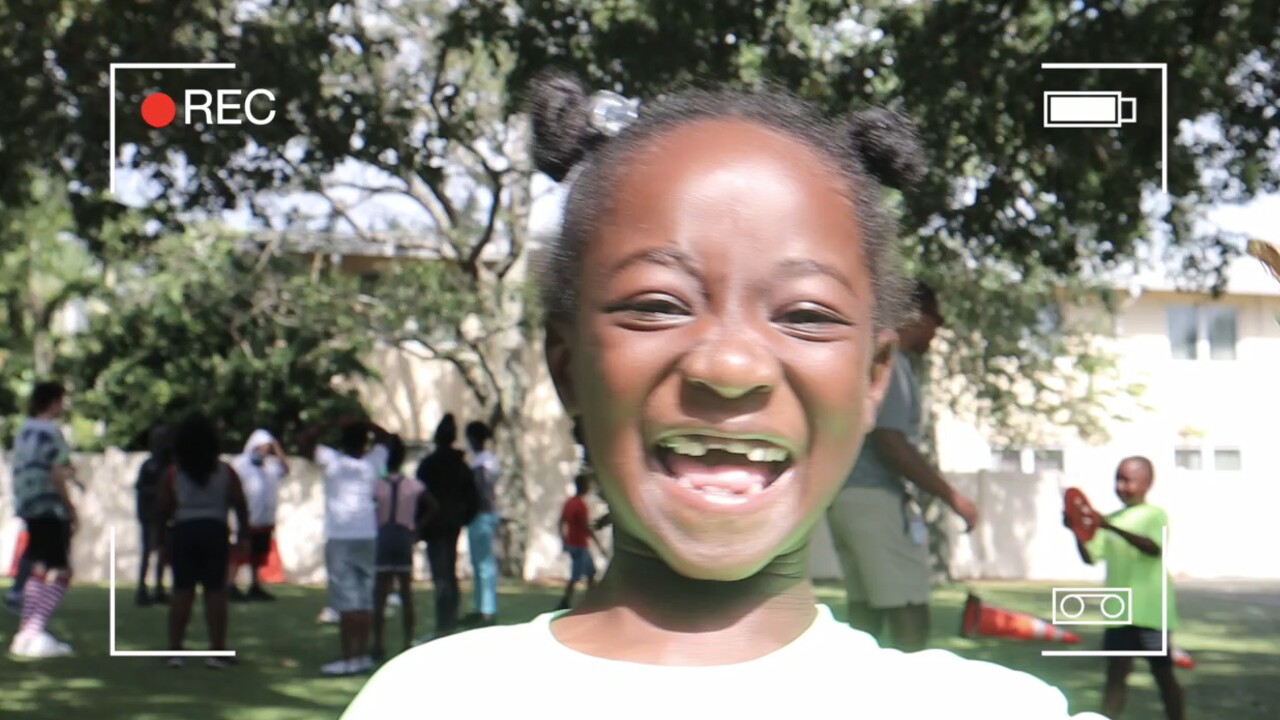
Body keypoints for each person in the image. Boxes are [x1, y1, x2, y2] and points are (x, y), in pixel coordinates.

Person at [338, 71, 1102, 718]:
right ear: (567, 366)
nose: (731, 365)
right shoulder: (432, 701)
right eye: (658, 304)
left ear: (874, 380)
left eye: (806, 315)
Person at [825, 279, 979, 651]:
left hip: (844, 495)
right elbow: (891, 442)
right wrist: (953, 497)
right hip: (872, 494)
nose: (937, 330)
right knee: (909, 603)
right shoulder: (890, 364)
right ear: (915, 316)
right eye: (935, 319)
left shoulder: (869, 358)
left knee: (866, 610)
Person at [1070, 457, 1183, 720]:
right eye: (1118, 479)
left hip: (1152, 612)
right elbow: (1091, 557)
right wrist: (1077, 529)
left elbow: (1153, 548)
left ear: (1147, 483)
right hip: (1118, 611)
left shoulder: (1155, 515)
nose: (1121, 486)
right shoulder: (1108, 520)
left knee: (1163, 673)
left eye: (1128, 480)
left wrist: (1109, 526)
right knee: (1116, 675)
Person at [298, 415, 396, 676]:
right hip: (367, 536)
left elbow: (304, 442)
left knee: (345, 602)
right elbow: (388, 439)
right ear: (365, 443)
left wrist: (329, 423)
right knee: (364, 600)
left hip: (340, 538)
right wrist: (366, 422)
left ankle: (349, 657)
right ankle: (361, 655)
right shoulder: (372, 463)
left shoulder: (332, 460)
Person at [155, 412, 250, 669]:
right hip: (215, 531)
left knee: (182, 590)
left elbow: (162, 510)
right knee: (215, 591)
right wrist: (243, 536)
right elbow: (240, 505)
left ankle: (175, 651)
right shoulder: (225, 472)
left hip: (183, 532)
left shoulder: (173, 473)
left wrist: (162, 543)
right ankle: (217, 651)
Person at [8, 381, 79, 658]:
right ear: (52, 402)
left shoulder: (24, 430)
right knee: (62, 571)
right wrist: (70, 506)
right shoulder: (52, 432)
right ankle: (32, 630)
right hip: (50, 505)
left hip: (28, 503)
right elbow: (57, 472)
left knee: (38, 566)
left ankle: (25, 633)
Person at [413, 414, 479, 641]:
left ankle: (445, 625)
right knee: (448, 575)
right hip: (450, 525)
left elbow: (419, 498)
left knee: (442, 576)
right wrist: (462, 518)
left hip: (436, 526)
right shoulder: (460, 466)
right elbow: (473, 499)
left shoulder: (429, 465)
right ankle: (449, 622)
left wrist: (419, 526)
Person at [371, 436, 434, 661]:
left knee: (380, 592)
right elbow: (432, 505)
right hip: (403, 536)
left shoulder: (378, 484)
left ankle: (378, 643)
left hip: (384, 535)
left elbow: (369, 504)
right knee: (406, 592)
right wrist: (417, 528)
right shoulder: (413, 485)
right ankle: (407, 641)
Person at [228, 429, 290, 602]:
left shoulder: (269, 466)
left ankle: (255, 585)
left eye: (267, 448)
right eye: (261, 447)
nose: (264, 451)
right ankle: (230, 585)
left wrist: (277, 449)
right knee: (240, 553)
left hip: (264, 519)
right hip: (247, 518)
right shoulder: (241, 464)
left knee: (258, 555)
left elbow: (285, 469)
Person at [462, 420, 500, 627]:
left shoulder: (483, 463)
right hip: (483, 515)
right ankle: (480, 607)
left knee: (484, 565)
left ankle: (487, 610)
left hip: (481, 515)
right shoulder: (485, 460)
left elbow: (481, 492)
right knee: (479, 565)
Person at [134, 425, 173, 607]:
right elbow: (142, 489)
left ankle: (158, 588)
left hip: (163, 514)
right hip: (150, 514)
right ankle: (142, 589)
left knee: (163, 551)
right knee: (148, 551)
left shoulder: (168, 464)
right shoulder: (149, 465)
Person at [556, 474, 604, 611]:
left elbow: (560, 522)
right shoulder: (581, 506)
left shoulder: (569, 503)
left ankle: (592, 602)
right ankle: (565, 602)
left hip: (572, 544)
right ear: (583, 486)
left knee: (590, 572)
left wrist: (563, 540)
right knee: (576, 576)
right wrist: (599, 545)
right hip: (580, 545)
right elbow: (585, 527)